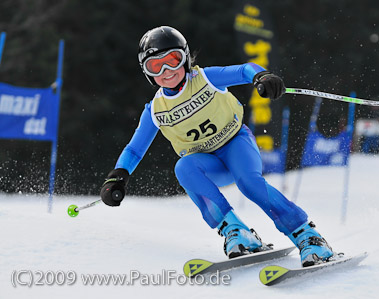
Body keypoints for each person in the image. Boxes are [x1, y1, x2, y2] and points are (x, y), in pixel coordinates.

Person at [100, 26, 334, 267]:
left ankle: (308, 235)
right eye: (155, 66)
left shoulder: (205, 79)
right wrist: (118, 176)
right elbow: (135, 149)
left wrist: (261, 77)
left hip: (236, 145)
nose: (167, 71)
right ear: (147, 72)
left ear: (185, 58)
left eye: (172, 60)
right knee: (183, 167)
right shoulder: (156, 110)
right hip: (209, 163)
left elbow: (244, 70)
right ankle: (236, 231)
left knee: (249, 183)